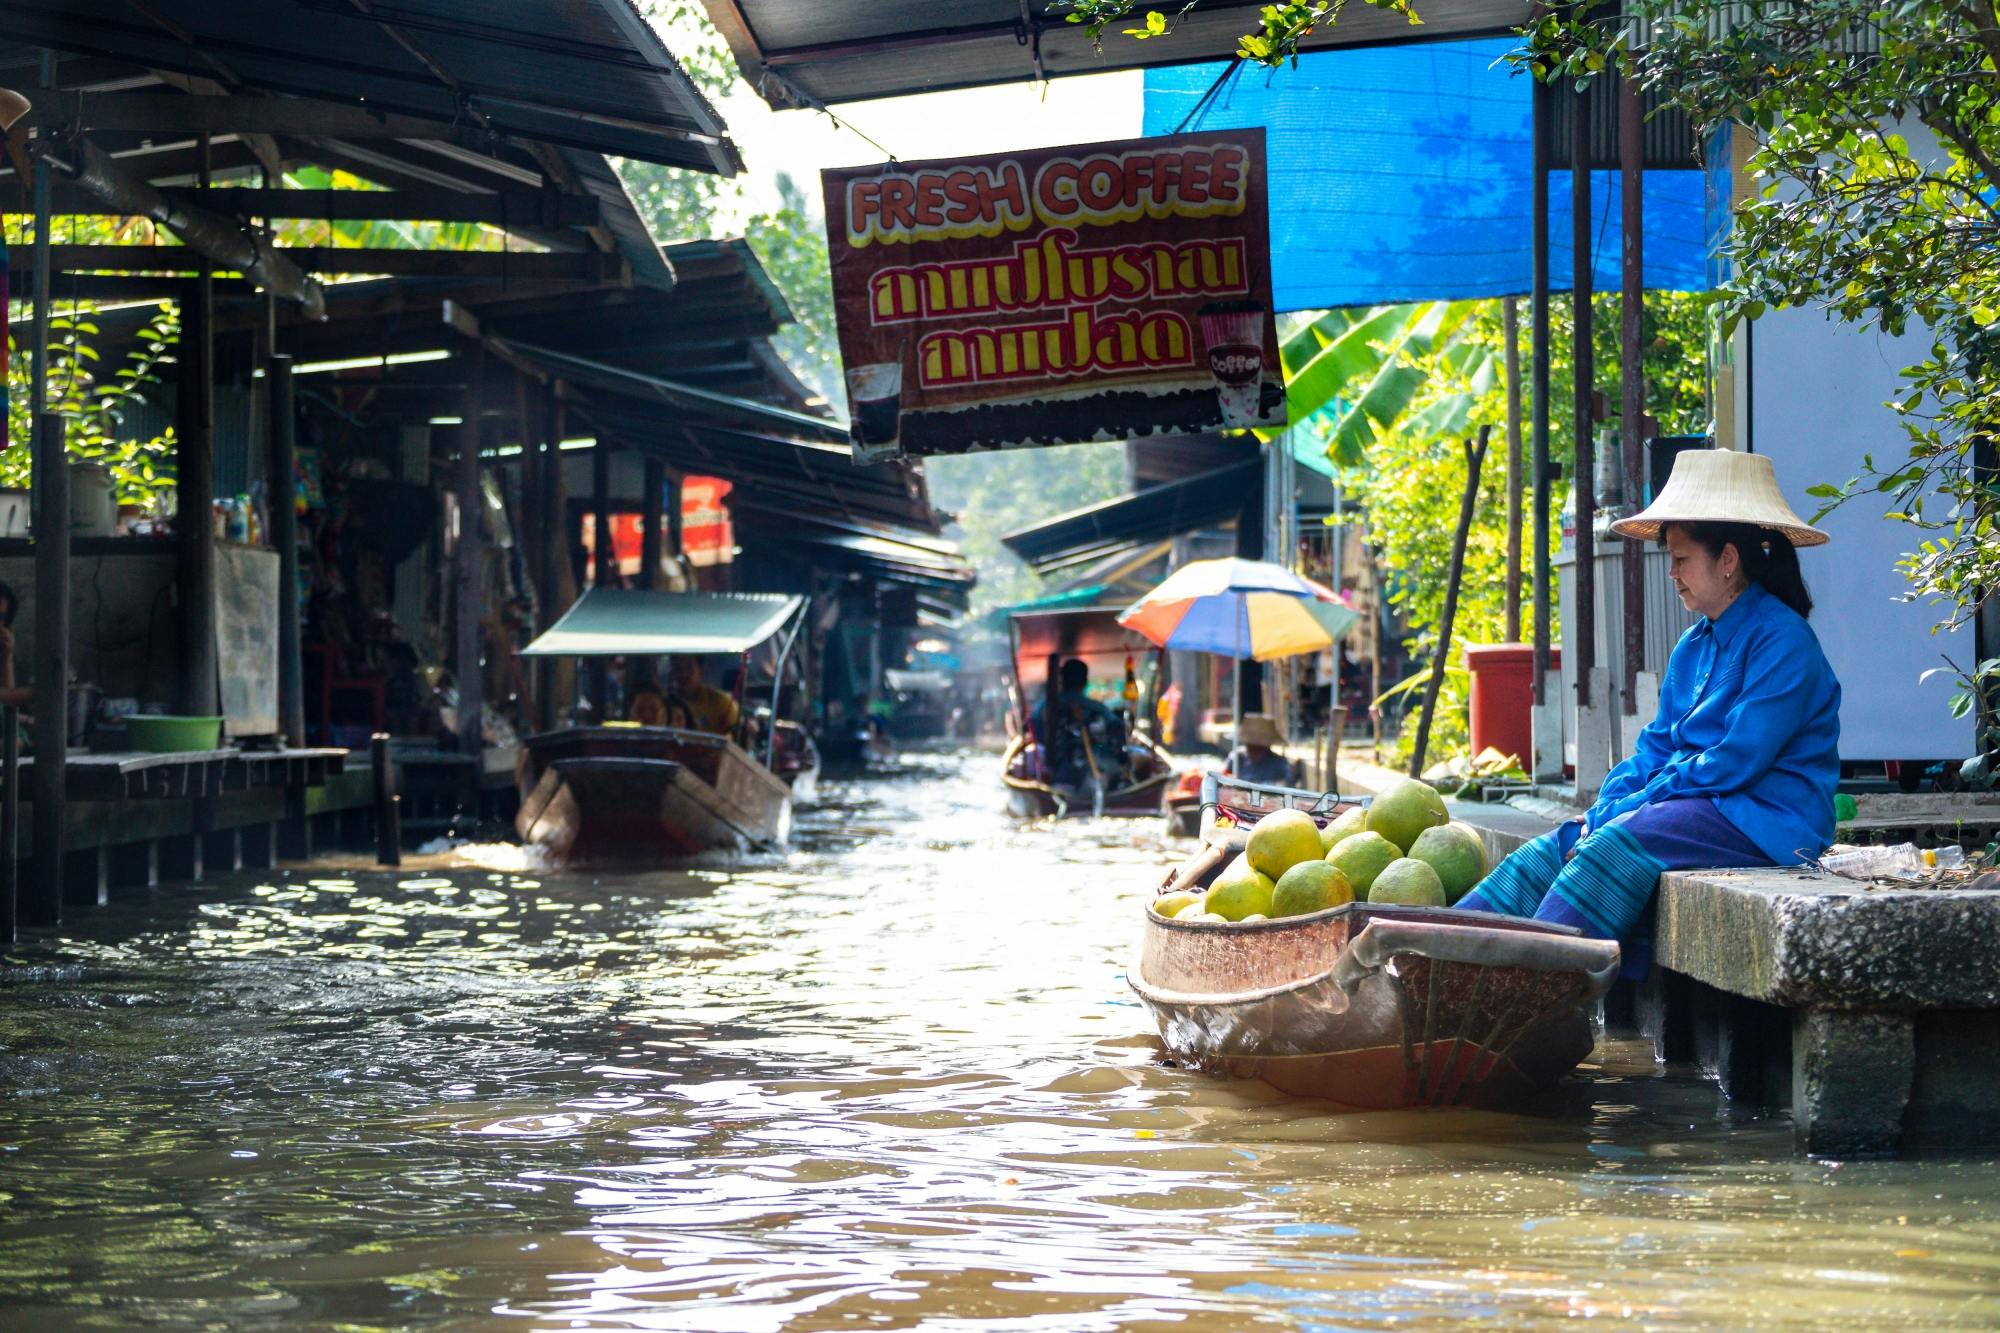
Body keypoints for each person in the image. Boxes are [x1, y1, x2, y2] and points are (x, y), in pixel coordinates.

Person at [1457, 450, 1841, 948]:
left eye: (1681, 559)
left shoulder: (1784, 641)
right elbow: (1655, 750)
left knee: (1613, 845)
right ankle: (1443, 958)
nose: (1672, 573)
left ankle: (1534, 988)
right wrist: (1602, 808)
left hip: (1768, 818)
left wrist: (1632, 808)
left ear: (1727, 560)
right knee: (1560, 844)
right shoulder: (1694, 645)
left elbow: (1736, 762)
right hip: (1699, 806)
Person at [1032, 658, 1125, 789]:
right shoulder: (1097, 708)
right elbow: (1117, 729)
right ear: (1085, 681)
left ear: (1062, 680)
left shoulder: (1043, 707)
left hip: (1056, 769)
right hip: (1091, 769)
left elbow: (1035, 732)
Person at [669, 655, 739, 736]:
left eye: (689, 668)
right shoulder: (667, 702)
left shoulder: (721, 701)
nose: (683, 674)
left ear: (700, 670)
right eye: (678, 668)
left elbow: (736, 734)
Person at [1224, 713, 1294, 787]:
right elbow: (1224, 778)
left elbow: (1287, 785)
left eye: (1259, 748)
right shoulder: (1237, 758)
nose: (1254, 751)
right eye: (1251, 746)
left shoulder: (1279, 763)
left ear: (1268, 746)